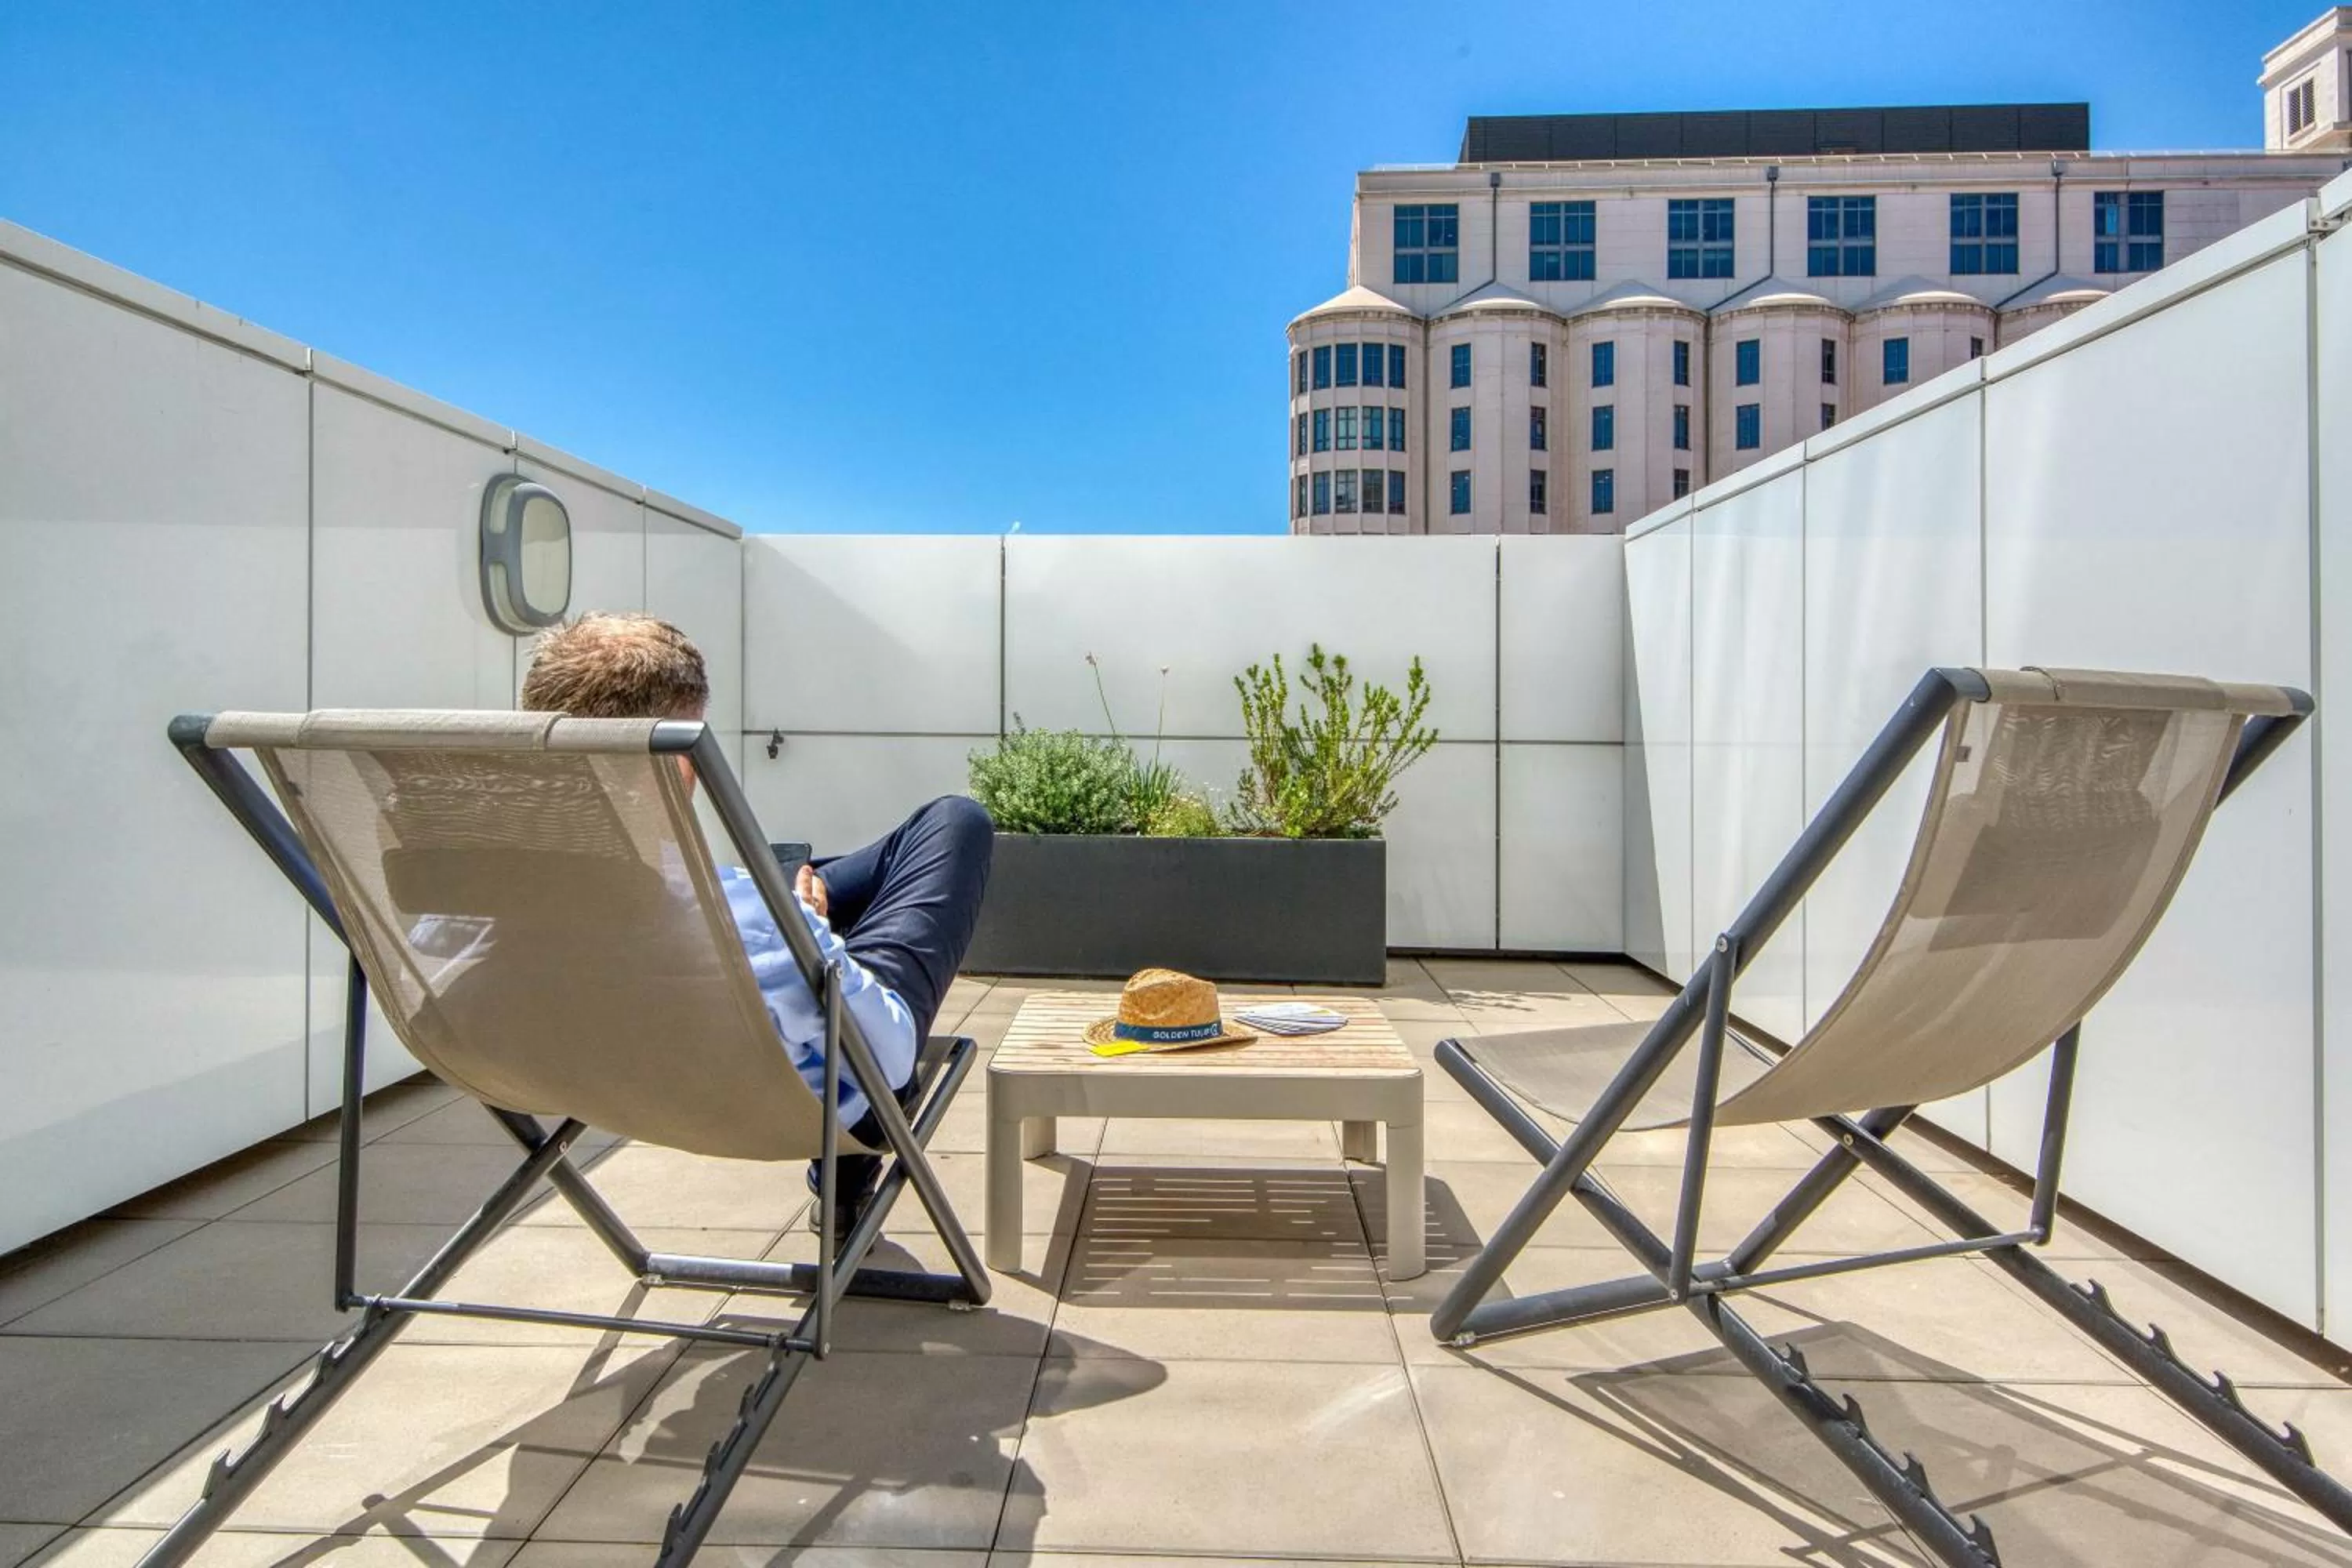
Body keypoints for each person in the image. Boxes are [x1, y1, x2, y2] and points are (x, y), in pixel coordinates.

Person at [517, 612, 993, 1240]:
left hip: (566, 1069)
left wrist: (791, 907)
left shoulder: (444, 891)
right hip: (781, 1097)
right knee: (955, 823)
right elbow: (891, 1056)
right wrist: (804, 927)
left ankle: (803, 882)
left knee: (801, 873)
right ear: (678, 756)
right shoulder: (742, 918)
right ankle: (844, 1177)